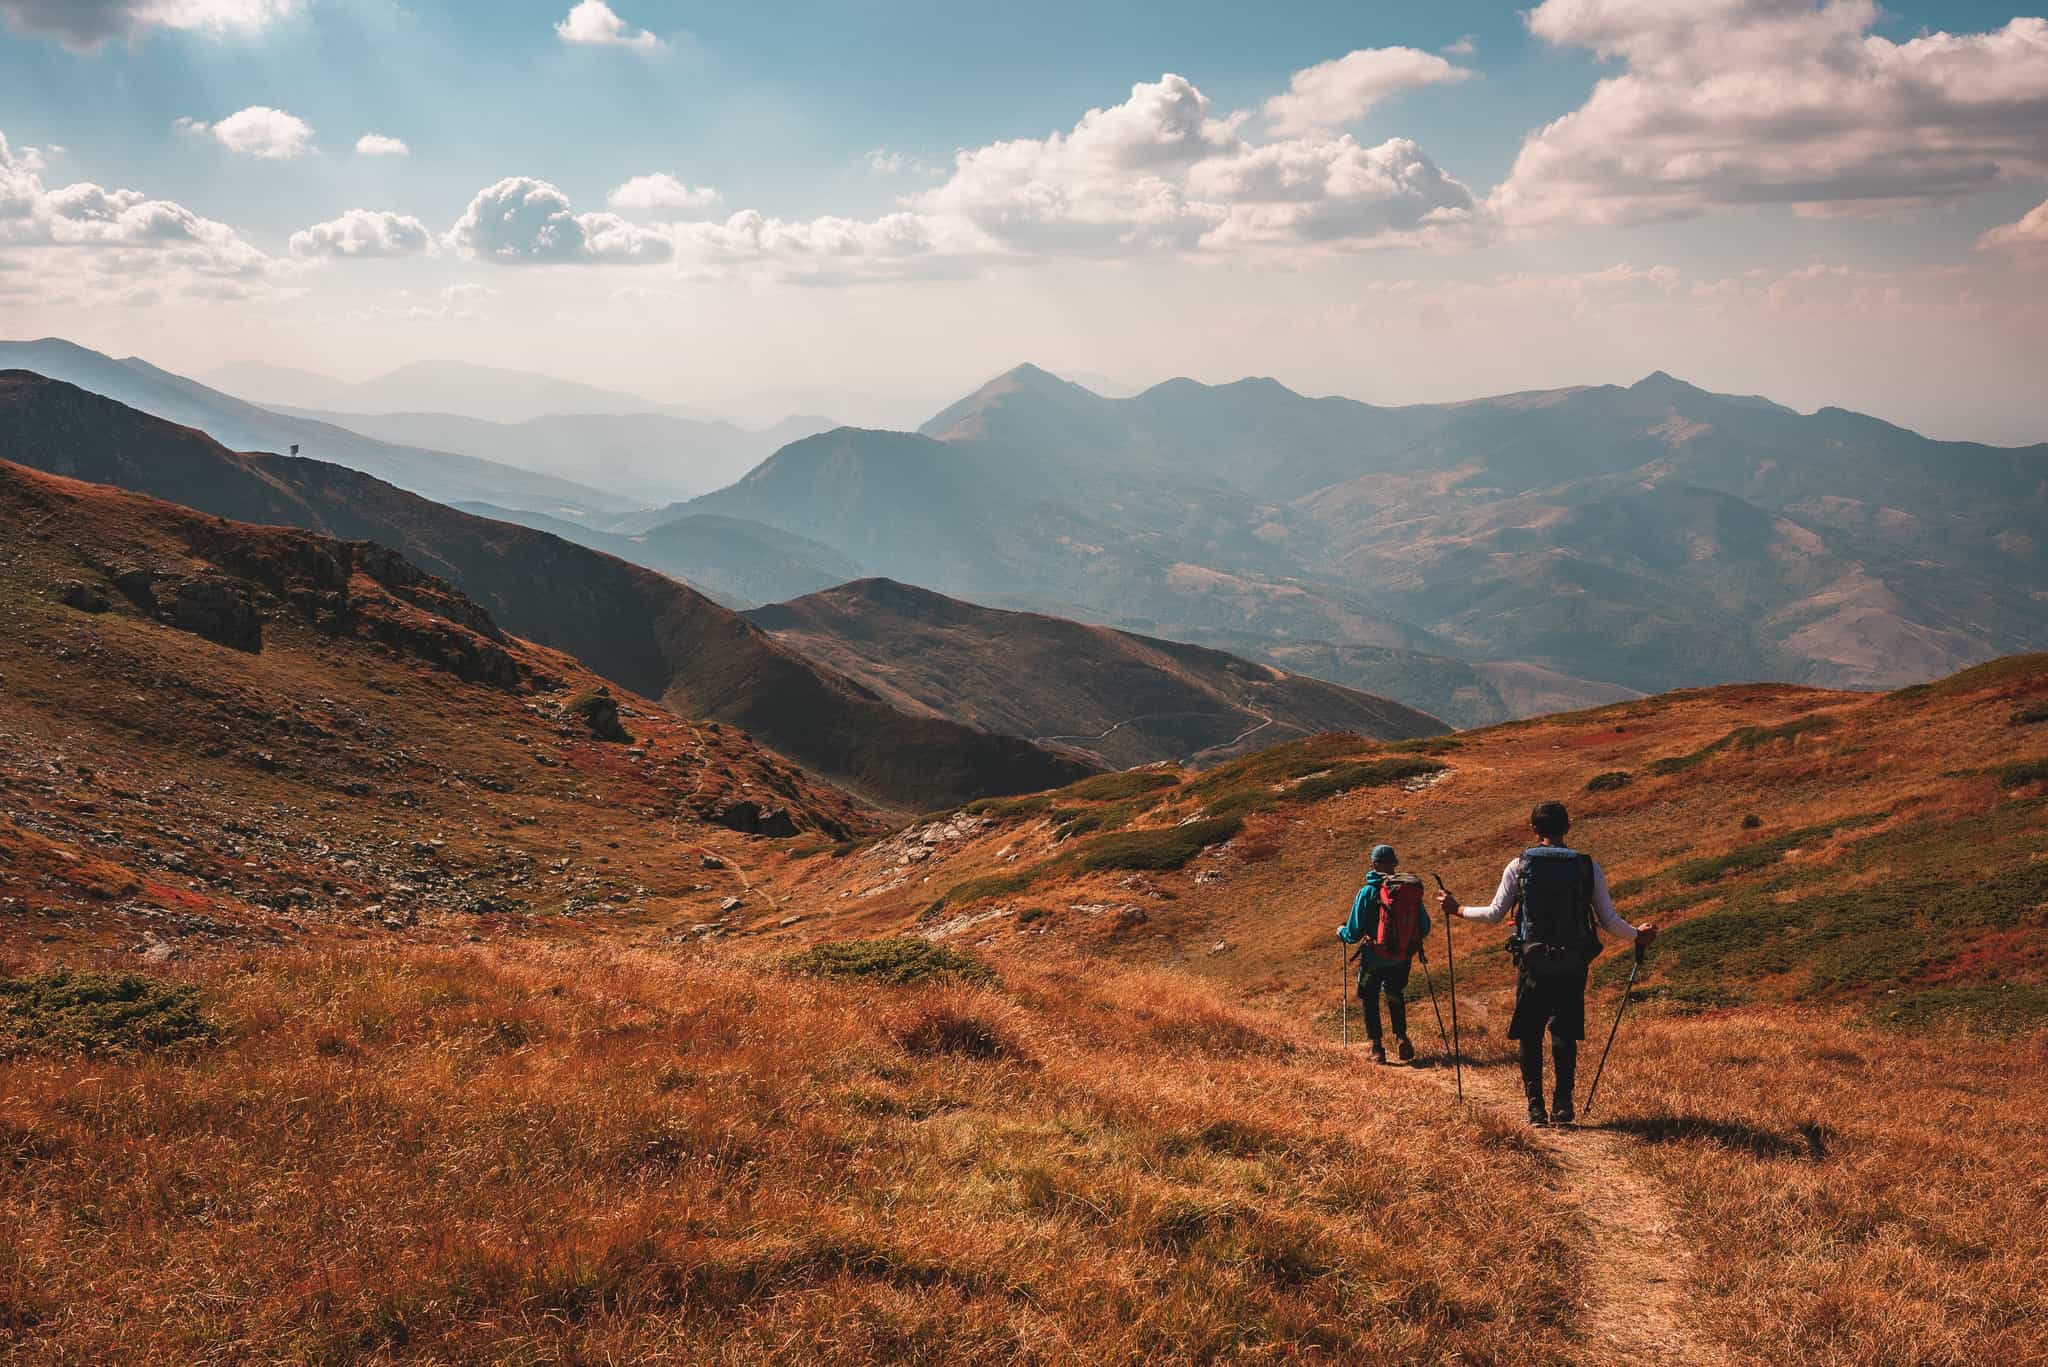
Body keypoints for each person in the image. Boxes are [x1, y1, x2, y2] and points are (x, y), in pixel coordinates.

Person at [1436, 802, 1656, 1127]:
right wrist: (1638, 935)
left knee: (1530, 1032)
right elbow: (1608, 920)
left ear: (1534, 830)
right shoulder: (1587, 866)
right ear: (1568, 827)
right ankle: (1564, 1105)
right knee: (1564, 1031)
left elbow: (1496, 913)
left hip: (1532, 961)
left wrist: (1457, 909)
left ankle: (1535, 1107)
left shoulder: (1519, 865)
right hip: (1573, 961)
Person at [1337, 844, 1431, 1065]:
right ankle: (1401, 1037)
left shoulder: (1368, 892)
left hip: (1373, 958)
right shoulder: (1407, 890)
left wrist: (1341, 932)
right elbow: (1424, 927)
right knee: (1395, 992)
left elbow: (1353, 932)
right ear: (1395, 863)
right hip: (1401, 958)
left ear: (1374, 864)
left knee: (1369, 997)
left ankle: (1377, 1048)